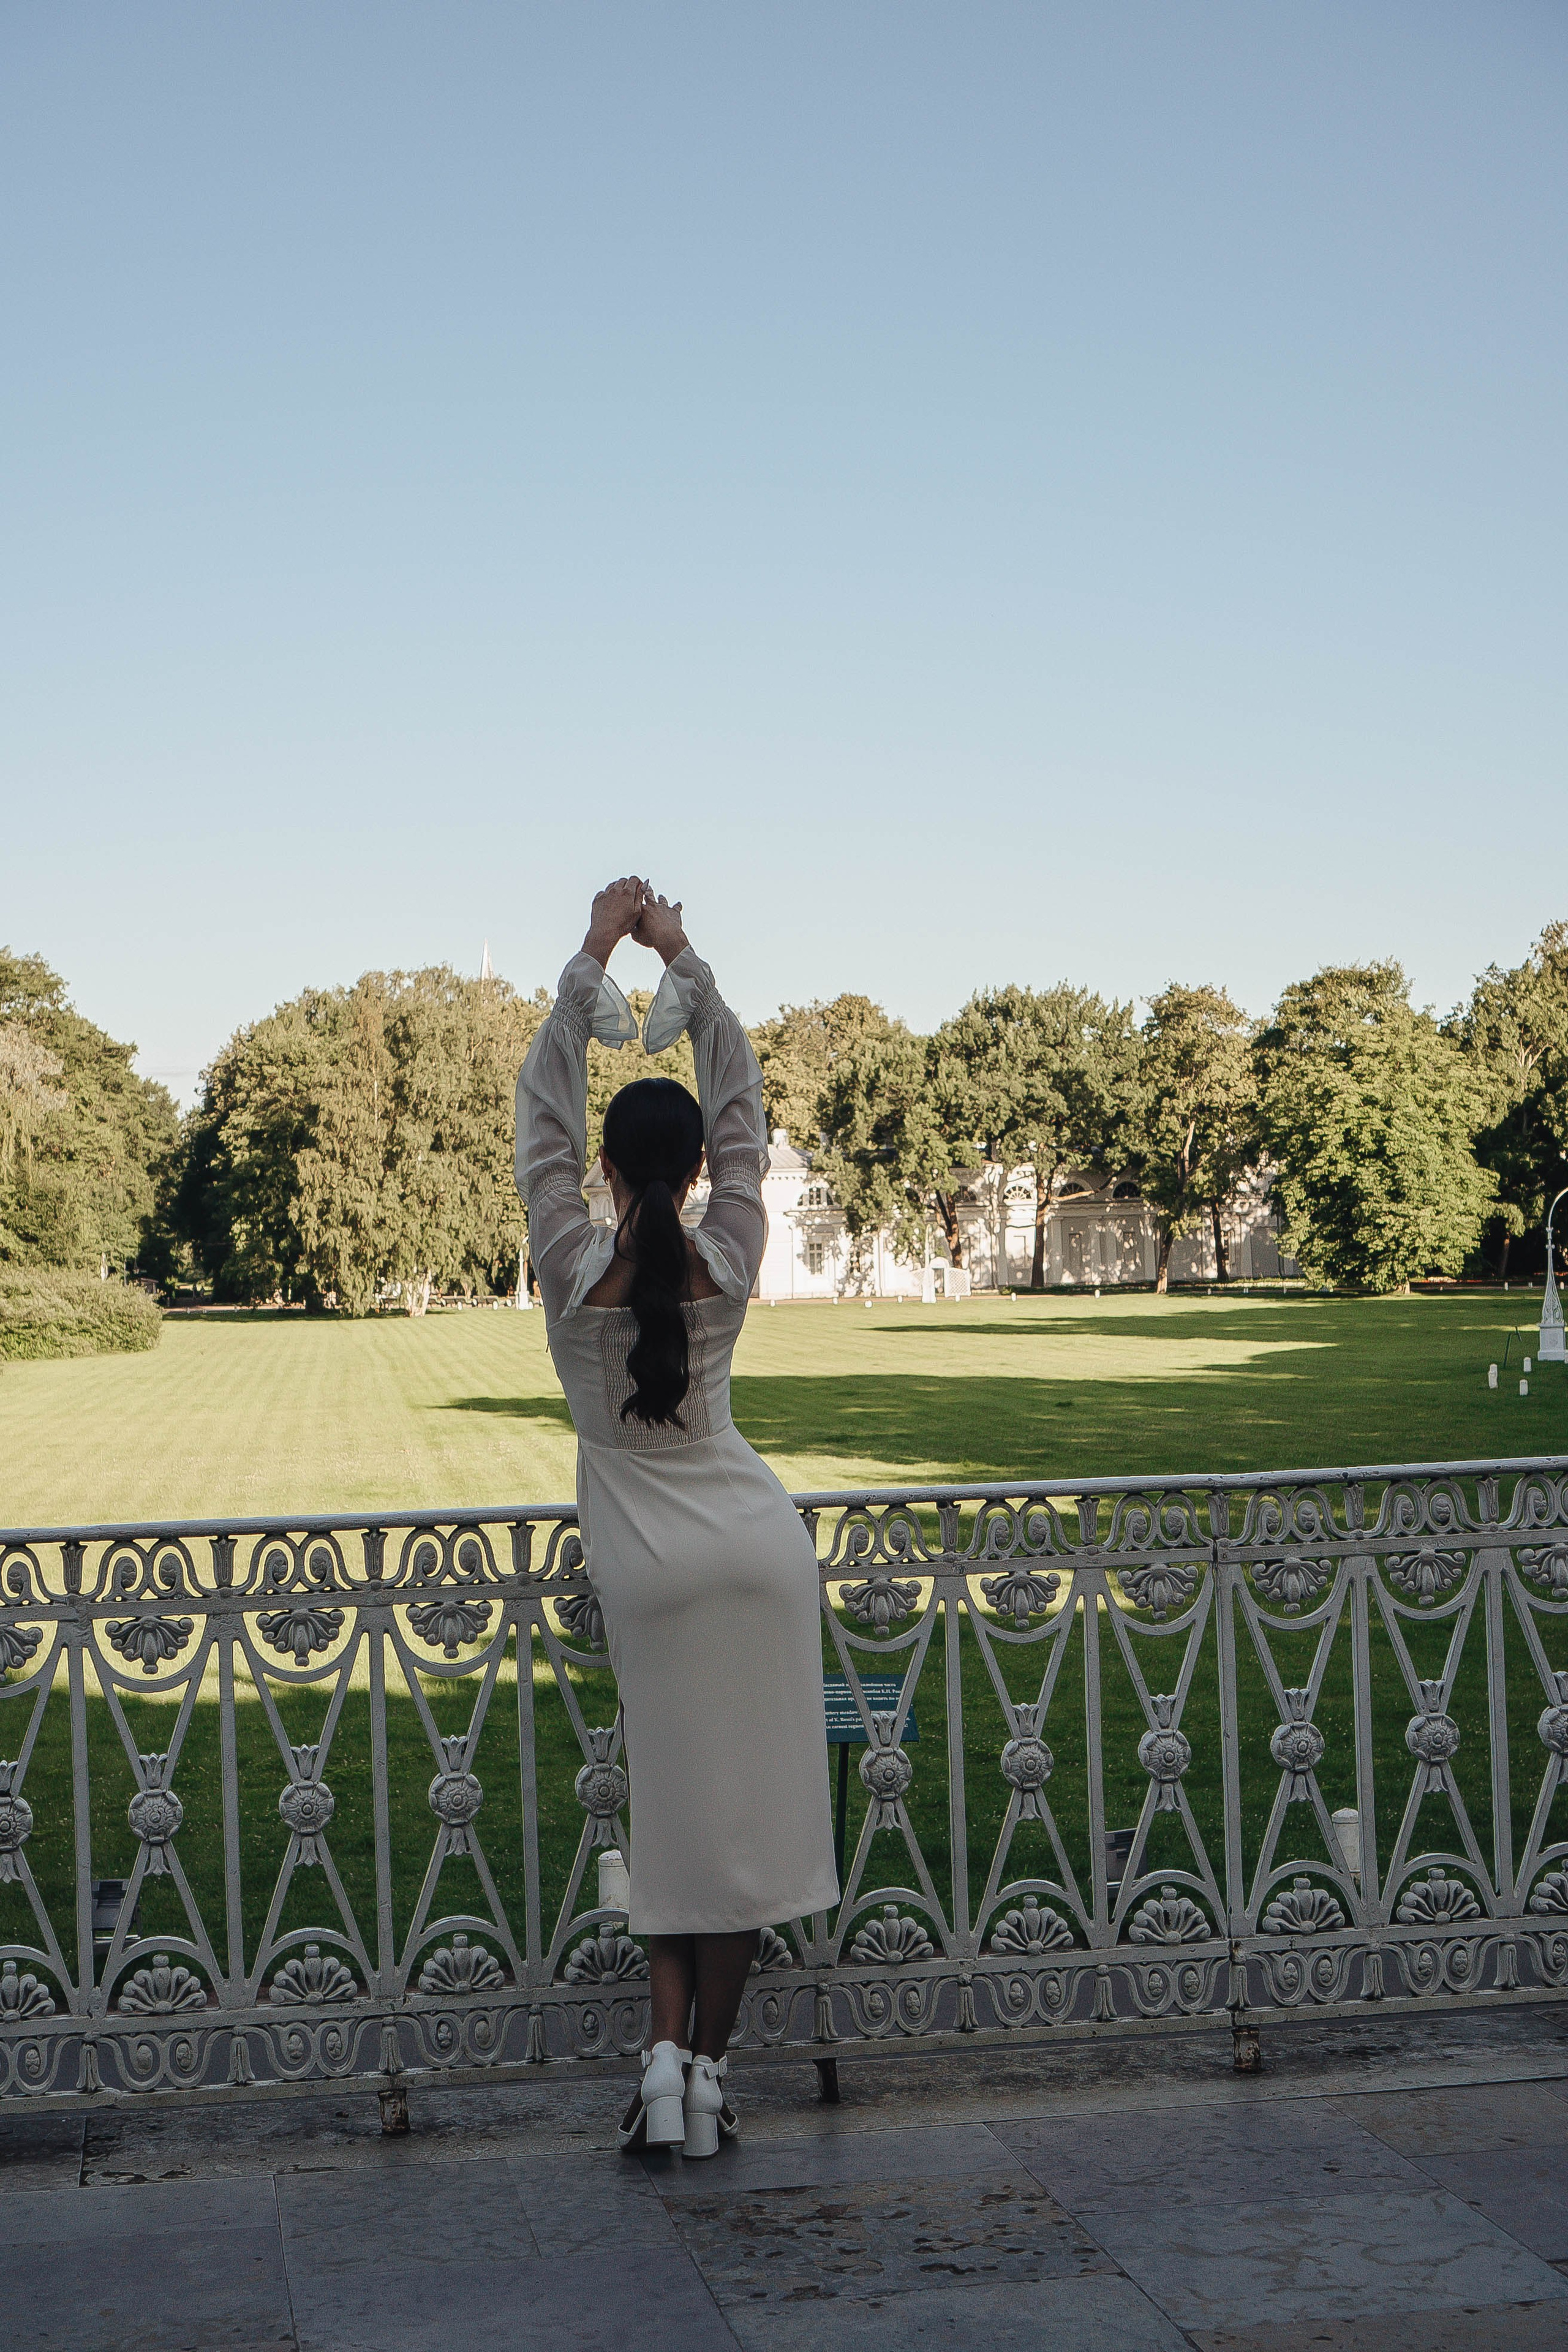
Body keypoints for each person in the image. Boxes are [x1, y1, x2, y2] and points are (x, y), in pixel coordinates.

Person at [515, 878, 838, 2158]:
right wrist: (678, 957)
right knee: (746, 1834)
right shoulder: (734, 1255)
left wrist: (592, 955)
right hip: (757, 1555)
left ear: (603, 1168)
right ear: (698, 1167)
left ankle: (660, 2064)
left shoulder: (567, 1267)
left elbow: (540, 1114)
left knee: (674, 1827)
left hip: (646, 1574)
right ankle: (703, 2075)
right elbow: (746, 1099)